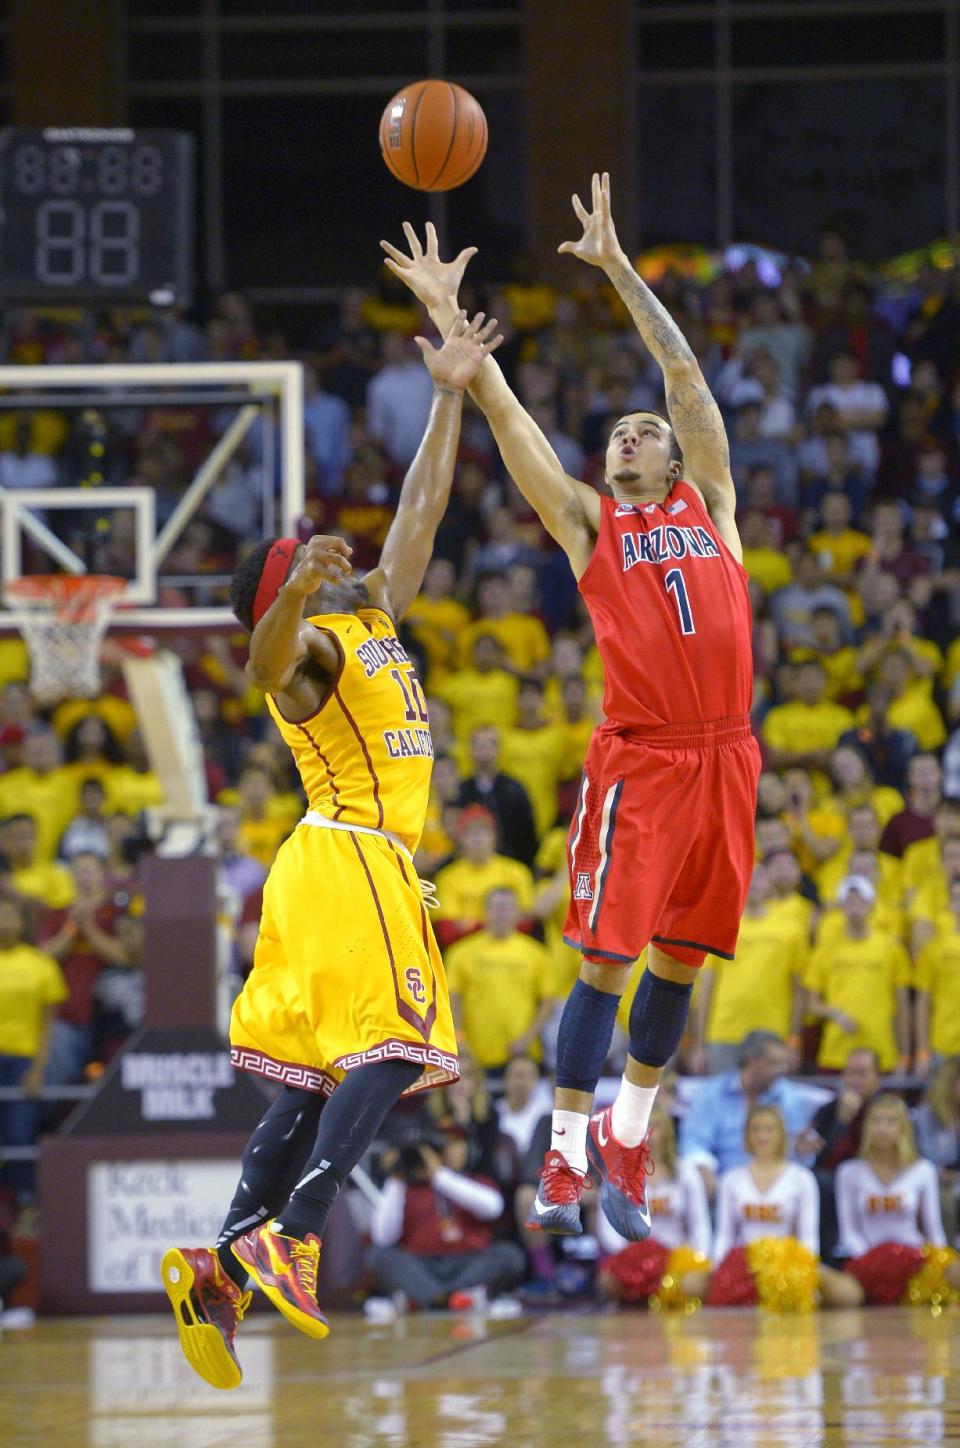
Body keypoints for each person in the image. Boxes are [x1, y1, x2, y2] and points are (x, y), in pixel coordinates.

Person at [383, 173, 762, 1243]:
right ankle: (563, 1156)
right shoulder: (595, 527)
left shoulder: (716, 504)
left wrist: (619, 271)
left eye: (646, 432)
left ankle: (628, 1141)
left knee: (681, 959)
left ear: (681, 456)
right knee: (606, 957)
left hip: (728, 756)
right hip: (642, 758)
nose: (629, 438)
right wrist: (462, 346)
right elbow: (516, 434)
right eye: (619, 435)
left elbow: (683, 372)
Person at [161, 309, 502, 1389]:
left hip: (347, 865)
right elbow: (263, 663)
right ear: (289, 595)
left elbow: (424, 506)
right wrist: (292, 594)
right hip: (346, 851)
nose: (333, 552)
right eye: (301, 560)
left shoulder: (378, 615)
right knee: (400, 1045)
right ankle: (297, 1230)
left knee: (312, 1086)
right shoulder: (308, 646)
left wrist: (450, 389)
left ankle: (223, 1263)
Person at [682, 1105, 857, 1310]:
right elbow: (725, 1236)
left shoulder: (802, 1178)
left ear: (781, 1134)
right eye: (756, 1130)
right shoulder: (731, 1179)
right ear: (747, 1135)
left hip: (788, 1265)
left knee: (848, 1293)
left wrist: (802, 1272)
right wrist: (722, 1270)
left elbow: (808, 1238)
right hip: (744, 1264)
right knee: (688, 1284)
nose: (762, 1136)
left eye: (769, 1129)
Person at [365, 1124, 526, 1313]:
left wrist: (438, 1175)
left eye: (455, 1144)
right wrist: (396, 1177)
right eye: (443, 1145)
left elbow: (493, 1208)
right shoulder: (404, 1187)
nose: (448, 1150)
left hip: (468, 1263)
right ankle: (456, 1298)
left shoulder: (475, 1181)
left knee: (509, 1256)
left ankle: (428, 1298)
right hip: (420, 1265)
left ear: (469, 1149)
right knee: (378, 1256)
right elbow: (383, 1238)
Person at [836, 1095, 960, 1306]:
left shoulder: (923, 1170)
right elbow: (849, 1233)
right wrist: (875, 1261)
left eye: (890, 1121)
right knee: (844, 1294)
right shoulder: (849, 1172)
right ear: (867, 1127)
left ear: (904, 1127)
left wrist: (937, 1263)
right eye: (876, 1120)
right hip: (866, 1260)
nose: (882, 1128)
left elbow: (934, 1230)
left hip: (914, 1258)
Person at [597, 1102, 712, 1309]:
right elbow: (607, 1226)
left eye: (655, 1126)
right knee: (607, 1281)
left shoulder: (686, 1172)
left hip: (677, 1256)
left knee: (694, 1285)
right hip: (634, 1257)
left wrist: (697, 1259)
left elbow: (700, 1225)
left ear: (667, 1132)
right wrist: (631, 1256)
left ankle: (651, 1297)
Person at [678, 1031, 812, 1198]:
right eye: (773, 1063)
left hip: (775, 1190)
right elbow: (693, 1142)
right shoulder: (711, 1093)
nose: (781, 1070)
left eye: (782, 1064)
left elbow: (799, 1155)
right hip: (719, 1186)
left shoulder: (790, 1099)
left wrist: (801, 1151)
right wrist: (703, 1168)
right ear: (751, 1061)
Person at [805, 875, 911, 1073]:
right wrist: (835, 1013)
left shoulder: (891, 948)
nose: (855, 907)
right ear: (841, 907)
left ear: (871, 905)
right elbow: (812, 1004)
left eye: (860, 901)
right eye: (849, 901)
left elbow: (902, 1006)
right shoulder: (826, 949)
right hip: (836, 1052)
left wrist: (904, 1055)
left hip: (881, 1051)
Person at [0, 897, 67, 1206]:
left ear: (22, 921)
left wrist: (39, 1070)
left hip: (23, 1061)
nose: (4, 921)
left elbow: (49, 1024)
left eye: (10, 914)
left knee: (19, 1136)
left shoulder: (40, 964)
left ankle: (24, 1207)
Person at [912, 1056, 960, 1245]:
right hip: (937, 1183)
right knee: (945, 1199)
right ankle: (947, 1257)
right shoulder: (927, 1116)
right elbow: (931, 1160)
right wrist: (952, 1133)